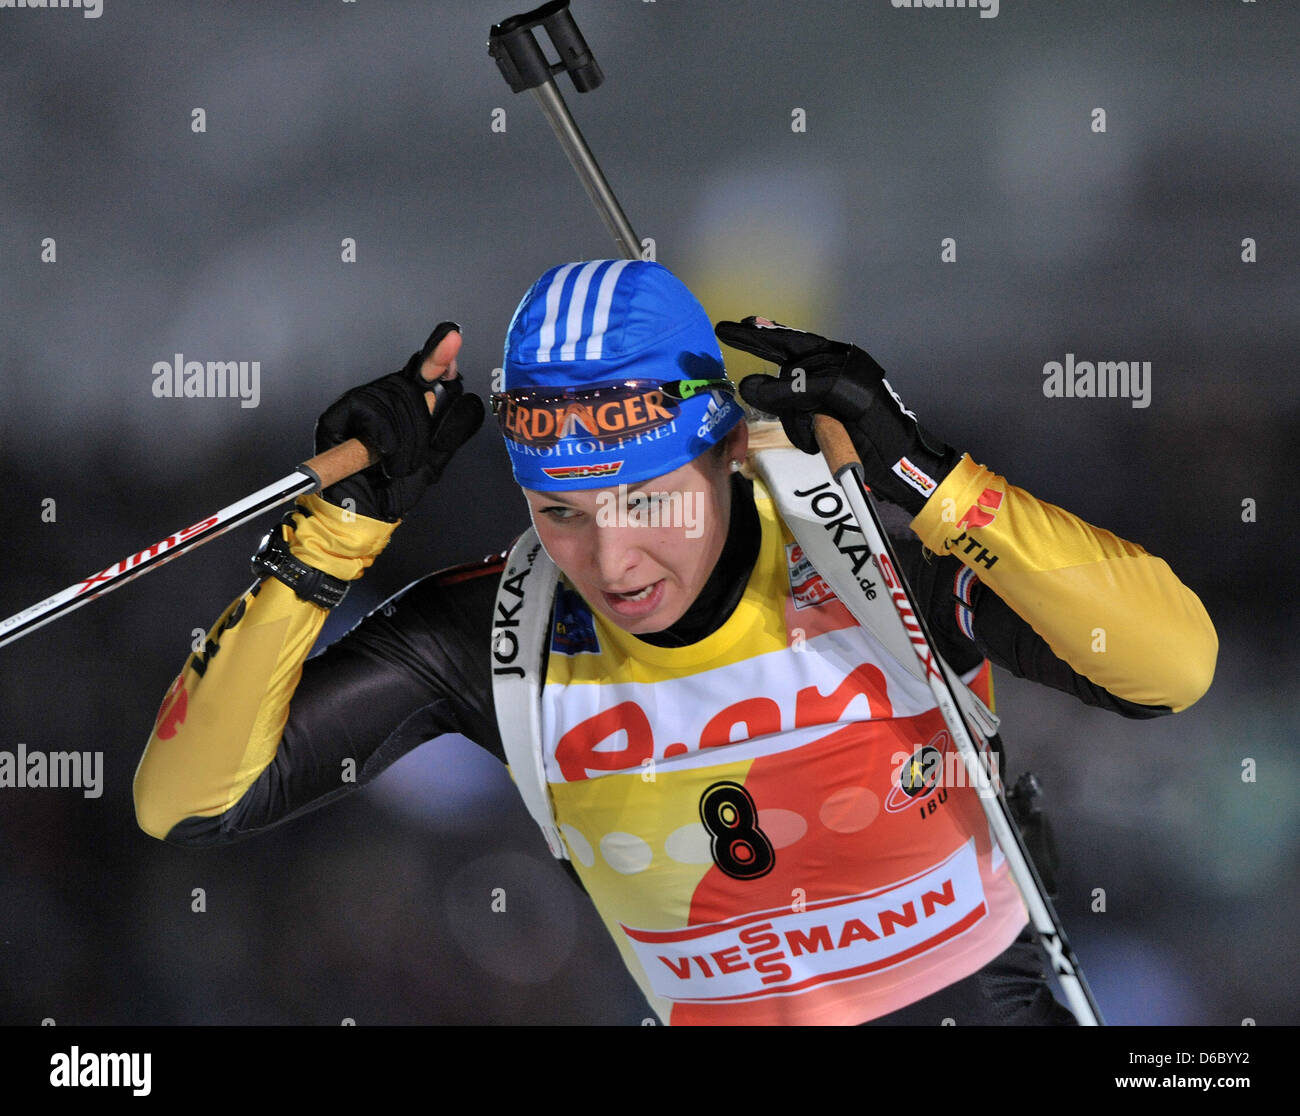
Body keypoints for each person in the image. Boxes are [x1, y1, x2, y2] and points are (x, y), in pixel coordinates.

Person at [133, 259, 1217, 1026]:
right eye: (561, 514)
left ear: (728, 450)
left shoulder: (864, 549)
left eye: (646, 502)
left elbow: (1171, 670)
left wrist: (930, 481)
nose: (612, 563)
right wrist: (329, 542)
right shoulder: (494, 630)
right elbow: (186, 803)